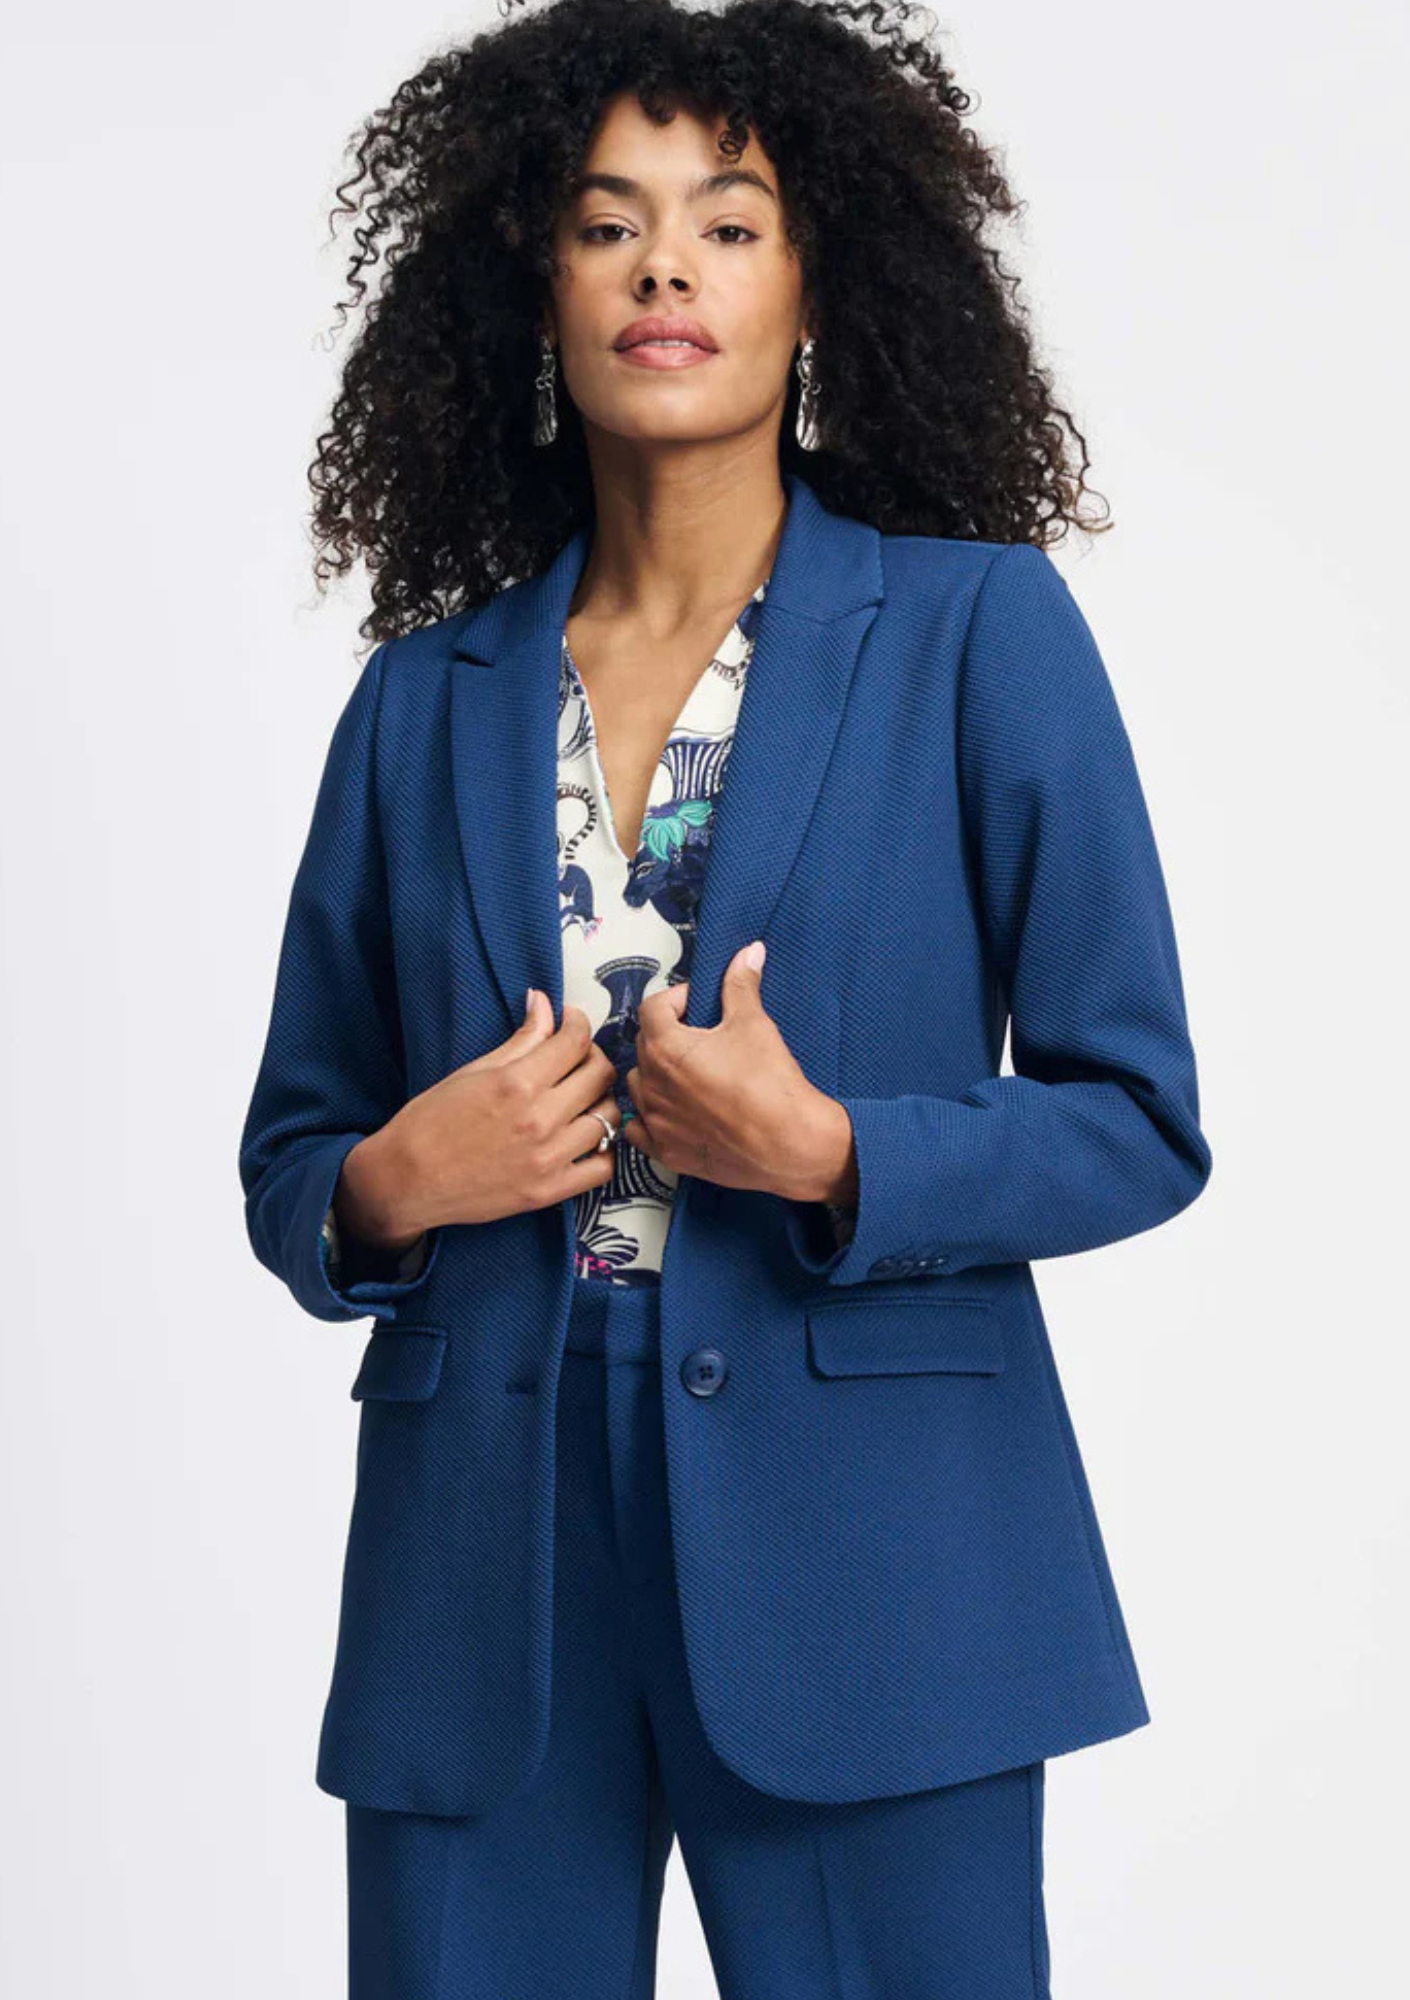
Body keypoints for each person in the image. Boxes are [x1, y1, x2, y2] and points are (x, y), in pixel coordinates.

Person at [238, 2, 1214, 1993]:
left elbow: (1137, 1117)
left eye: (730, 224)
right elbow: (296, 1151)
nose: (663, 268)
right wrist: (392, 1187)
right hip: (487, 1556)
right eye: (607, 225)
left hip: (874, 1549)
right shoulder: (417, 704)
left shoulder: (977, 633)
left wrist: (840, 1153)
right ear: (536, 291)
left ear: (817, 288)